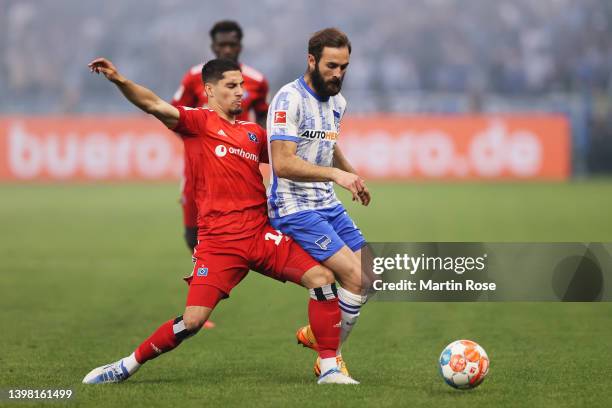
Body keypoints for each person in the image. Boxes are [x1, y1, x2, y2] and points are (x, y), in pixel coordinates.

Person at [82, 57, 358, 385]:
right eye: (231, 86)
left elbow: (298, 155)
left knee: (322, 277)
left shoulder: (255, 134)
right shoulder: (197, 123)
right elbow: (153, 104)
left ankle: (328, 367)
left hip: (260, 235)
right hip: (218, 244)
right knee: (193, 321)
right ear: (209, 91)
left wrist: (344, 166)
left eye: (241, 85)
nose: (241, 92)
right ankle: (127, 365)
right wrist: (119, 79)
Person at [266, 28, 371, 377]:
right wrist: (334, 176)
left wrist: (351, 174)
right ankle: (330, 358)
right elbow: (282, 163)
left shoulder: (338, 102)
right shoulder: (288, 100)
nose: (338, 74)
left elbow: (329, 142)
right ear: (311, 60)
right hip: (295, 208)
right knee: (353, 277)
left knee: (369, 275)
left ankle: (319, 336)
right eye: (331, 66)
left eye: (344, 67)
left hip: (327, 204)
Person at [172, 20, 269, 253]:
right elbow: (175, 116)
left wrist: (255, 144)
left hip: (238, 168)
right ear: (213, 47)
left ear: (240, 46)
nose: (227, 50)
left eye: (232, 44)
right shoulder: (194, 77)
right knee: (192, 236)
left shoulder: (256, 80)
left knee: (245, 236)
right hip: (198, 171)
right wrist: (198, 144)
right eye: (221, 45)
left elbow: (265, 118)